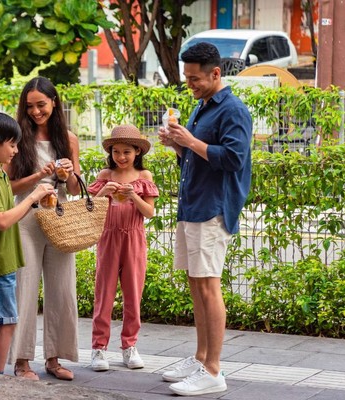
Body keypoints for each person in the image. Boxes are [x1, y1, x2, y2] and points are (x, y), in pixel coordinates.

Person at [158, 42, 252, 396]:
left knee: (209, 286)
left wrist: (191, 141)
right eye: (187, 78)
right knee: (197, 284)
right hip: (194, 205)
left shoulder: (233, 110)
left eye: (195, 78)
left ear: (216, 73)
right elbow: (197, 157)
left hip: (213, 208)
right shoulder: (202, 105)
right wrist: (178, 145)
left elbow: (234, 159)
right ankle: (200, 358)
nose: (190, 84)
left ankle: (213, 370)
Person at [5, 76, 81, 381]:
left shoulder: (69, 139)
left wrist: (68, 173)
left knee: (63, 290)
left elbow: (75, 189)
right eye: (30, 106)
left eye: (41, 105)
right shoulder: (18, 138)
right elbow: (10, 186)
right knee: (24, 290)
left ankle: (54, 358)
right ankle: (21, 361)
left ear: (54, 103)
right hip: (26, 219)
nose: (36, 111)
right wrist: (40, 175)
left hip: (60, 218)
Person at [0, 112, 54, 375]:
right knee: (7, 323)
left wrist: (35, 200)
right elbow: (2, 221)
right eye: (12, 144)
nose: (16, 150)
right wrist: (33, 196)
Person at [87, 125, 159, 372]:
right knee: (104, 295)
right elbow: (90, 210)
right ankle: (99, 348)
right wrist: (102, 194)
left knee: (133, 296)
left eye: (126, 151)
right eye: (116, 151)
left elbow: (149, 212)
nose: (121, 157)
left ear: (137, 151)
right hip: (108, 238)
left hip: (134, 239)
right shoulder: (105, 174)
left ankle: (130, 346)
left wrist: (134, 196)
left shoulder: (144, 177)